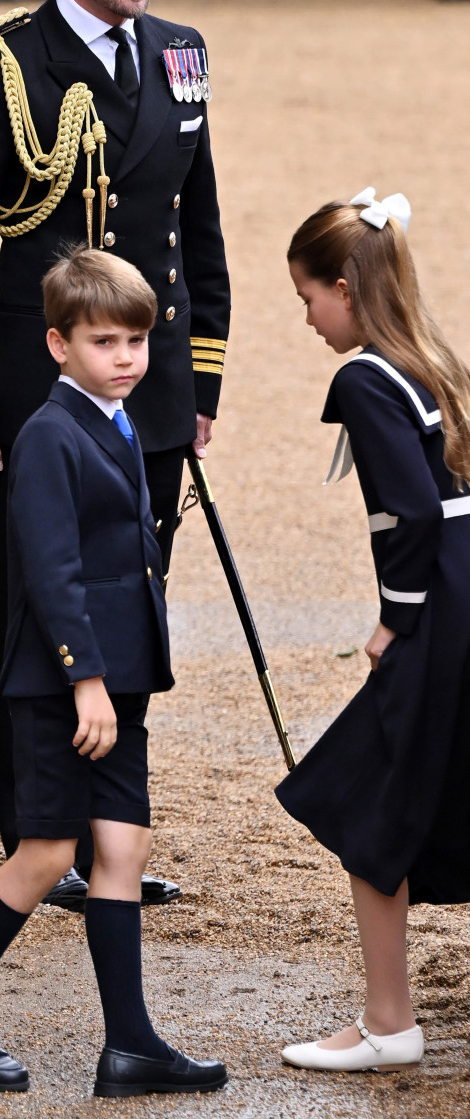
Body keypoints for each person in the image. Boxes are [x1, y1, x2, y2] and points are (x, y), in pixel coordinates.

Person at [0, 0, 231, 908]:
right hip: (33, 397)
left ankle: (108, 835)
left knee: (129, 604)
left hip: (152, 386)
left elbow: (193, 225)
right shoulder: (2, 68)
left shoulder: (180, 51)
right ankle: (41, 833)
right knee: (42, 610)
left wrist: (198, 382)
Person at [0, 247, 228, 1096]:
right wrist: (84, 677)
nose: (125, 358)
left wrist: (122, 675)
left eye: (136, 339)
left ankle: (130, 1044)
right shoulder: (50, 433)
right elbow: (48, 570)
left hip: (117, 684)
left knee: (122, 845)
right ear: (57, 345)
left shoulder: (118, 422)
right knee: (49, 851)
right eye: (103, 342)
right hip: (62, 688)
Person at [275, 188, 470, 1071]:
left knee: (371, 804)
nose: (308, 318)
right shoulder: (433, 358)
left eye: (309, 297)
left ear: (346, 288)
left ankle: (391, 1023)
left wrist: (396, 622)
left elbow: (412, 514)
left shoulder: (362, 377)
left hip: (443, 612)